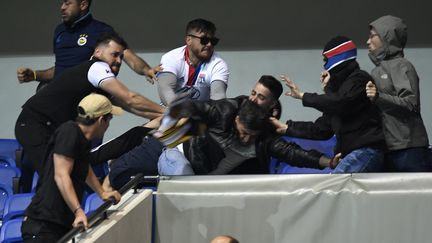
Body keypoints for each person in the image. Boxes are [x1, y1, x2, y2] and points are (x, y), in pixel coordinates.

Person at [15, 32, 164, 192]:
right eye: (115, 55)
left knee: (68, 174)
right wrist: (169, 112)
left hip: (49, 129)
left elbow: (132, 107)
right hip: (35, 124)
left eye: (121, 57)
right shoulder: (97, 67)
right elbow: (130, 98)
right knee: (56, 179)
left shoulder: (99, 85)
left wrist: (157, 119)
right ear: (98, 52)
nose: (119, 61)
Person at [272, 36, 386, 173]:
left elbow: (340, 103)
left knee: (332, 190)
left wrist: (302, 96)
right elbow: (322, 129)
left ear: (336, 57)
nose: (324, 66)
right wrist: (287, 128)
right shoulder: (339, 91)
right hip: (350, 155)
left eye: (325, 60)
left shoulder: (360, 79)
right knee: (332, 190)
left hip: (366, 151)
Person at [21, 93, 122, 242]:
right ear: (101, 120)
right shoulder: (70, 131)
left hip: (59, 224)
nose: (108, 125)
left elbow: (84, 167)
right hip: (43, 224)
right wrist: (78, 211)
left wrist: (102, 192)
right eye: (109, 119)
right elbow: (61, 175)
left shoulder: (82, 139)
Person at [17, 0, 160, 91]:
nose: (62, 7)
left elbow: (127, 55)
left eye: (67, 3)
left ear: (83, 5)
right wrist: (35, 75)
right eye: (62, 3)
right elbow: (61, 69)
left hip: (85, 98)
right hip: (59, 97)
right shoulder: (59, 31)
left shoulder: (101, 30)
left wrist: (147, 70)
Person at [365, 15, 430, 172]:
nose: (368, 41)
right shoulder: (376, 71)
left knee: (417, 195)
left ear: (388, 36)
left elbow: (410, 103)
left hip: (409, 148)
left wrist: (379, 97)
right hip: (387, 148)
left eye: (373, 36)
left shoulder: (403, 66)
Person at [157, 18, 229, 106]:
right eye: (204, 40)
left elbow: (218, 100)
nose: (209, 44)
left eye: (213, 41)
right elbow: (167, 97)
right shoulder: (171, 58)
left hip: (203, 115)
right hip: (171, 112)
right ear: (188, 40)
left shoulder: (218, 64)